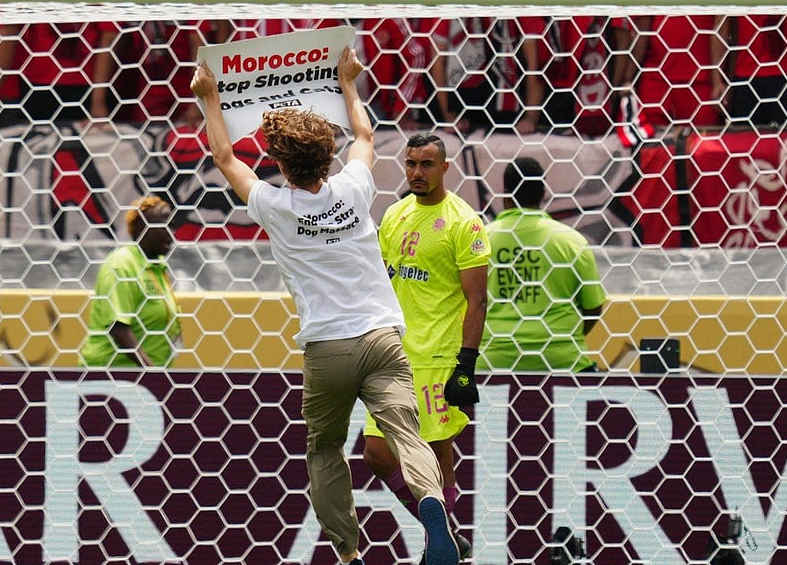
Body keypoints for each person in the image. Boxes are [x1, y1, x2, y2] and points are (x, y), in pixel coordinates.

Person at [190, 46, 460, 565]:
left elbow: (224, 158)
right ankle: (432, 506)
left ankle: (348, 551)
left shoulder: (274, 205)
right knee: (407, 432)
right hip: (382, 338)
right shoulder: (354, 188)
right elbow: (364, 136)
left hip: (328, 347)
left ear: (280, 162)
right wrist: (348, 82)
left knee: (326, 449)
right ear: (326, 155)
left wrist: (209, 98)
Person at [366, 132, 491, 563]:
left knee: (437, 457)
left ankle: (441, 546)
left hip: (437, 357)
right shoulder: (395, 215)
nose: (417, 172)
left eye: (426, 164)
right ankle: (446, 535)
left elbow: (477, 299)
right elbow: (382, 282)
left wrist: (466, 364)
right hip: (391, 355)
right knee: (376, 454)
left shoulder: (464, 222)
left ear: (445, 168)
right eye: (411, 163)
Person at [480, 156, 607, 373]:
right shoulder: (572, 241)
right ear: (543, 194)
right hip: (563, 361)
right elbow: (593, 306)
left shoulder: (482, 241)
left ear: (506, 196)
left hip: (493, 361)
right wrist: (558, 338)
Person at [79, 195, 181, 369]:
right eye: (163, 225)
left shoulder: (158, 267)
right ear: (141, 227)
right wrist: (152, 373)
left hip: (145, 375)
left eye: (172, 226)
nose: (171, 233)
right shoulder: (121, 265)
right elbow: (118, 327)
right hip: (113, 375)